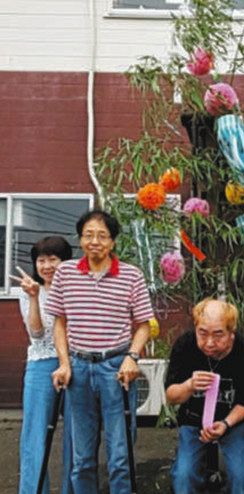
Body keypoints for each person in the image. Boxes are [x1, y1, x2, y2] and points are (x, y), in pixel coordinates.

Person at [47, 209, 154, 494]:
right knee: (81, 458)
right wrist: (64, 363)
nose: (95, 241)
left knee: (120, 456)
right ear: (80, 239)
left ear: (113, 242)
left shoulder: (131, 275)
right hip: (79, 368)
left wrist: (132, 357)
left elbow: (144, 325)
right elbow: (59, 323)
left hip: (116, 368)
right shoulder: (65, 273)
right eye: (88, 235)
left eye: (102, 236)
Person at [165, 298, 244, 494]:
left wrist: (225, 424)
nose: (209, 342)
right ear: (195, 328)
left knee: (241, 476)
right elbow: (171, 396)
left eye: (218, 335)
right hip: (193, 419)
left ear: (231, 333)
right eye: (202, 333)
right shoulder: (185, 346)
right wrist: (189, 386)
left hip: (233, 422)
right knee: (183, 476)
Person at [13, 236, 73, 494]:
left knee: (76, 435)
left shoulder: (76, 290)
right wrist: (35, 298)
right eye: (41, 260)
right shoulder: (28, 291)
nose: (47, 266)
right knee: (34, 434)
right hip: (41, 363)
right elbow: (36, 333)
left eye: (53, 259)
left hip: (75, 364)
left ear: (65, 262)